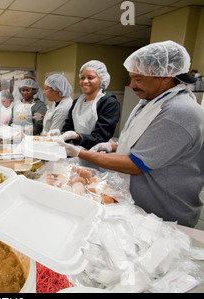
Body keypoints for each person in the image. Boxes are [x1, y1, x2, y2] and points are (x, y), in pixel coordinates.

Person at [57, 41, 204, 228]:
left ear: (166, 76)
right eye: (131, 78)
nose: (132, 85)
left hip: (163, 216)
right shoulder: (150, 102)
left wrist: (79, 152)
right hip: (138, 207)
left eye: (139, 79)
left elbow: (136, 164)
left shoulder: (179, 111)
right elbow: (149, 143)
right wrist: (113, 146)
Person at [53, 61, 120, 149]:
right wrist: (60, 134)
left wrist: (76, 136)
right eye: (82, 78)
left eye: (90, 78)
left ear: (101, 79)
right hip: (76, 150)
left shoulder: (109, 103)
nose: (85, 81)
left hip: (97, 153)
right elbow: (69, 127)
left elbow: (101, 137)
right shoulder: (77, 102)